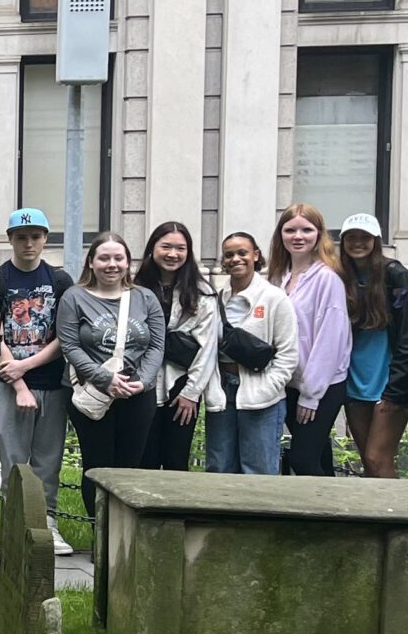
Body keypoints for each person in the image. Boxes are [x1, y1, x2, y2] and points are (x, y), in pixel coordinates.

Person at [0, 207, 77, 546]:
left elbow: (66, 337)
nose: (28, 243)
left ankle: (46, 524)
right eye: (21, 237)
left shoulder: (60, 281)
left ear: (45, 239)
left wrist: (27, 367)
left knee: (48, 459)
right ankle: (16, 525)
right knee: (13, 460)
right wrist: (17, 382)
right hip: (7, 385)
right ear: (10, 240)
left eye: (35, 236)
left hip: (50, 383)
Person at [58, 232, 165, 523]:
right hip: (90, 394)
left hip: (137, 394)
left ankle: (124, 535)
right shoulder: (74, 297)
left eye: (118, 258)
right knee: (98, 465)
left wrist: (142, 381)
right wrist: (104, 379)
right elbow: (69, 345)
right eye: (104, 258)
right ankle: (101, 534)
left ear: (128, 262)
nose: (112, 264)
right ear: (91, 262)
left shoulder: (145, 298)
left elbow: (156, 345)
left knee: (130, 467)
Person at [334, 214, 408, 480]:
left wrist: (397, 387)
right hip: (354, 382)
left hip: (389, 383)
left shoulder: (395, 274)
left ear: (376, 241)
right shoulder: (338, 277)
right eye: (351, 237)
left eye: (365, 237)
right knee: (369, 461)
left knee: (377, 458)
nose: (358, 243)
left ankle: (397, 517)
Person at [204, 233, 297, 476]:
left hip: (261, 397)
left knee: (258, 471)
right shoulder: (216, 299)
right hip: (222, 393)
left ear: (255, 255)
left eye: (242, 253)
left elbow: (288, 353)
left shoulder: (274, 298)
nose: (236, 259)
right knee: (219, 468)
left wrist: (269, 387)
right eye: (229, 255)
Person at [267, 204, 348, 477]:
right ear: (281, 235)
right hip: (286, 382)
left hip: (319, 387)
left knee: (302, 459)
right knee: (319, 458)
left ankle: (321, 516)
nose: (298, 236)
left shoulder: (328, 279)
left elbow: (330, 341)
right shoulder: (277, 278)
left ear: (319, 234)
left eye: (306, 230)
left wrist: (311, 395)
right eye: (290, 230)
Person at [136, 222, 218, 473]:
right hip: (142, 385)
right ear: (152, 249)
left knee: (176, 460)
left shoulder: (202, 292)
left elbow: (208, 348)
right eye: (166, 247)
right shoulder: (135, 288)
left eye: (180, 248)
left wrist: (192, 393)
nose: (173, 254)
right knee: (143, 459)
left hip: (181, 385)